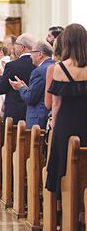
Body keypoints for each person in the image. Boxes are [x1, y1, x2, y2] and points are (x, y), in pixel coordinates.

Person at [46, 23, 87, 198]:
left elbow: (56, 104)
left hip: (66, 123)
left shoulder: (59, 68)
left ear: (66, 43)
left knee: (64, 163)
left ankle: (64, 208)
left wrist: (53, 127)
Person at [9, 41, 55, 129]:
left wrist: (21, 88)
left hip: (38, 120)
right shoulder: (55, 66)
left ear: (40, 54)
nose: (30, 56)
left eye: (32, 52)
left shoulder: (39, 71)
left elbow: (30, 98)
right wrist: (26, 88)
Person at [0, 33, 36, 124]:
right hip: (32, 112)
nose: (14, 47)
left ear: (22, 47)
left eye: (16, 45)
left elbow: (1, 88)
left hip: (14, 114)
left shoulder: (12, 66)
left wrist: (1, 76)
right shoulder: (37, 65)